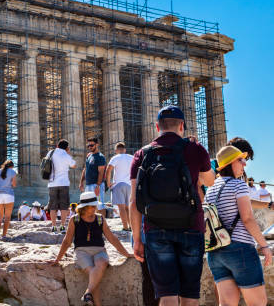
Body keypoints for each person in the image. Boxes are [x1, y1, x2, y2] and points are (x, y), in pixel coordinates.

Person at [130, 106, 215, 306]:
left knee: (167, 295)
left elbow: (134, 202)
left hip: (156, 228)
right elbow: (210, 181)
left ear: (157, 127)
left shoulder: (141, 154)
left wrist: (136, 240)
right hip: (191, 228)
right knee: (190, 296)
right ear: (182, 126)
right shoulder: (195, 149)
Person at [205, 145, 271, 306]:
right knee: (258, 303)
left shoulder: (211, 189)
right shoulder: (238, 185)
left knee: (227, 303)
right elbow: (247, 218)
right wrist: (264, 246)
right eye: (240, 160)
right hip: (240, 249)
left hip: (215, 252)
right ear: (230, 163)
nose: (244, 164)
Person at [52, 192, 132, 306]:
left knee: (102, 263)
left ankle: (87, 293)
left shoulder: (100, 219)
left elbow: (112, 238)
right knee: (94, 276)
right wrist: (57, 259)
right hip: (81, 252)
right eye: (92, 206)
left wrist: (126, 254)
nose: (95, 208)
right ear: (84, 208)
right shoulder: (74, 220)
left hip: (100, 251)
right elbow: (67, 241)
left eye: (95, 205)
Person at [48, 139, 77, 233]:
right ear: (67, 147)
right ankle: (62, 226)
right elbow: (74, 165)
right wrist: (68, 154)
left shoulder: (51, 153)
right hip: (63, 183)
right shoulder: (65, 155)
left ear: (57, 145)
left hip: (52, 183)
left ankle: (53, 226)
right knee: (64, 206)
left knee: (53, 206)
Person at [105, 142, 133, 231]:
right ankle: (131, 226)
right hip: (129, 185)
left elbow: (108, 170)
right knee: (128, 207)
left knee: (121, 208)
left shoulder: (115, 158)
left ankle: (125, 227)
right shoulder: (131, 157)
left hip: (118, 184)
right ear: (124, 150)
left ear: (116, 150)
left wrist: (108, 183)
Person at [80, 137, 107, 217]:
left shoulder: (100, 157)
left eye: (91, 145)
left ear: (97, 145)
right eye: (88, 146)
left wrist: (98, 186)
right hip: (88, 184)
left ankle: (103, 224)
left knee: (100, 206)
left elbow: (101, 172)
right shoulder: (89, 156)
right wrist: (81, 182)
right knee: (88, 205)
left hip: (96, 184)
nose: (90, 147)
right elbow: (85, 169)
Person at [0, 160, 17, 239]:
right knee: (7, 217)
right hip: (9, 194)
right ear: (11, 166)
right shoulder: (12, 172)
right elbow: (14, 184)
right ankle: (4, 235)